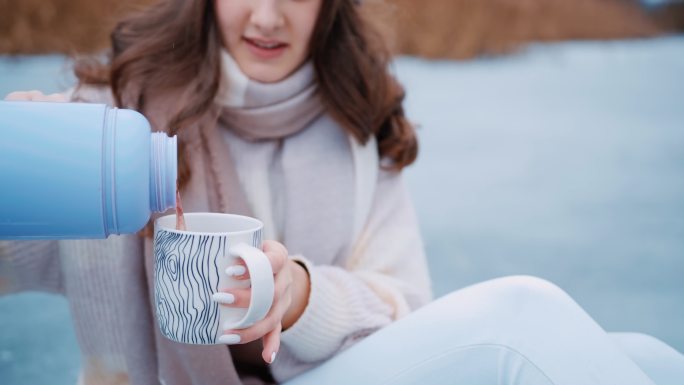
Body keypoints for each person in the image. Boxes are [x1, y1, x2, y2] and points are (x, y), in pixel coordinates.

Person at [2, 0, 683, 384]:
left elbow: (405, 309)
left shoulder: (358, 124)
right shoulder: (110, 117)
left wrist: (298, 296)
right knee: (526, 314)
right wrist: (14, 162)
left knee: (647, 357)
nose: (266, 17)